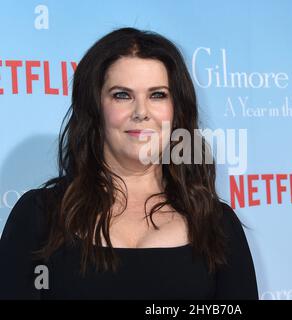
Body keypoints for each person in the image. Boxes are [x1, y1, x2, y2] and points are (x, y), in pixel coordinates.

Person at [0, 27, 258, 300]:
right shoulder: (39, 216)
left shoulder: (216, 224)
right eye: (122, 95)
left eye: (157, 94)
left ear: (177, 110)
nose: (141, 112)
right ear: (95, 107)